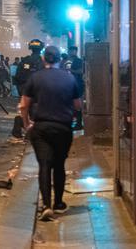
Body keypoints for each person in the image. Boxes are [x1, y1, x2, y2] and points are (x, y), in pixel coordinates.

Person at [20, 45, 81, 221]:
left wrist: (27, 125)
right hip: (63, 127)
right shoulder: (69, 79)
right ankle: (59, 203)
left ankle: (46, 205)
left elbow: (24, 105)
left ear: (44, 59)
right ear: (59, 60)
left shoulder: (35, 78)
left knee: (44, 165)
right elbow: (78, 105)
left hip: (41, 128)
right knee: (59, 164)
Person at [13, 39, 45, 138]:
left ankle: (17, 130)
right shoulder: (43, 62)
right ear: (41, 49)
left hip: (25, 91)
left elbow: (17, 77)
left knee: (24, 111)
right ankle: (30, 133)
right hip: (37, 93)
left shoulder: (24, 61)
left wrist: (21, 92)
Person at [65, 46, 86, 130]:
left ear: (75, 52)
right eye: (70, 51)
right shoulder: (66, 61)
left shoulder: (79, 61)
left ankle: (78, 123)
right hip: (67, 85)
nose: (71, 52)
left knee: (78, 105)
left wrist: (71, 71)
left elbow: (81, 71)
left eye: (73, 51)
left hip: (77, 86)